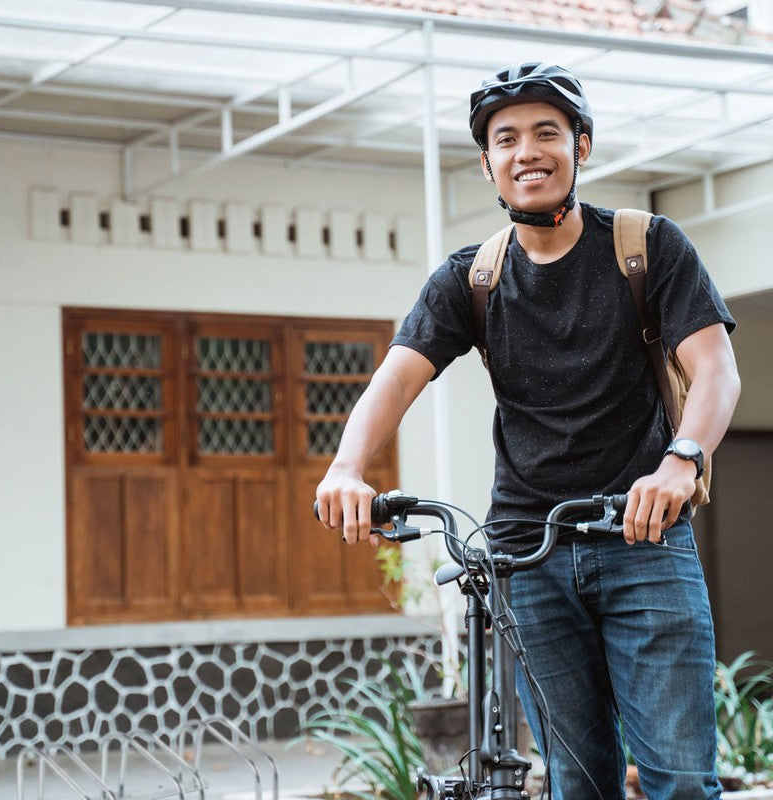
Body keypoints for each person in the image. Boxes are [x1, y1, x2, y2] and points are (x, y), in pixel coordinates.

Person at [315, 62, 740, 800]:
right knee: (577, 782)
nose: (526, 152)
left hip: (643, 539)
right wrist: (347, 467)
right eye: (505, 139)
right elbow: (396, 377)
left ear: (581, 146)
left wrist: (681, 461)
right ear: (487, 165)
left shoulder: (646, 247)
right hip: (527, 551)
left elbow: (716, 371)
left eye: (547, 132)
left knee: (680, 781)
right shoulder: (470, 279)